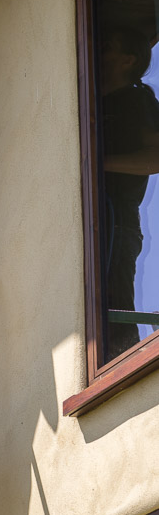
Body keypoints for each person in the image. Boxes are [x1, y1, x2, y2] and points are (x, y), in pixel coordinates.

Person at [101, 25, 159, 360]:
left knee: (113, 305)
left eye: (108, 46)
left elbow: (154, 157)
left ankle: (121, 370)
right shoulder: (89, 101)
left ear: (127, 60)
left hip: (116, 222)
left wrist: (99, 164)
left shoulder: (136, 100)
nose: (101, 52)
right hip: (92, 221)